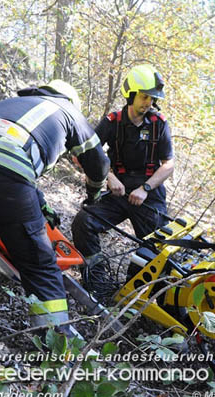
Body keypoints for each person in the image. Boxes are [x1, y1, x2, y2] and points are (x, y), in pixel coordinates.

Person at [0, 80, 109, 333]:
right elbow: (99, 165)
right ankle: (55, 343)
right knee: (38, 264)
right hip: (4, 172)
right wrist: (94, 196)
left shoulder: (14, 102)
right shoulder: (69, 112)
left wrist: (38, 202)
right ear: (71, 101)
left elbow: (2, 152)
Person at [71, 64, 174, 297]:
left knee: (155, 248)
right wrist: (108, 177)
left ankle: (128, 297)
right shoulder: (112, 121)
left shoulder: (159, 123)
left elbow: (169, 164)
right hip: (117, 191)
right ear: (131, 94)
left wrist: (146, 188)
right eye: (144, 96)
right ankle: (97, 283)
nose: (148, 102)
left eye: (152, 98)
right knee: (84, 222)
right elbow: (85, 154)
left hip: (149, 193)